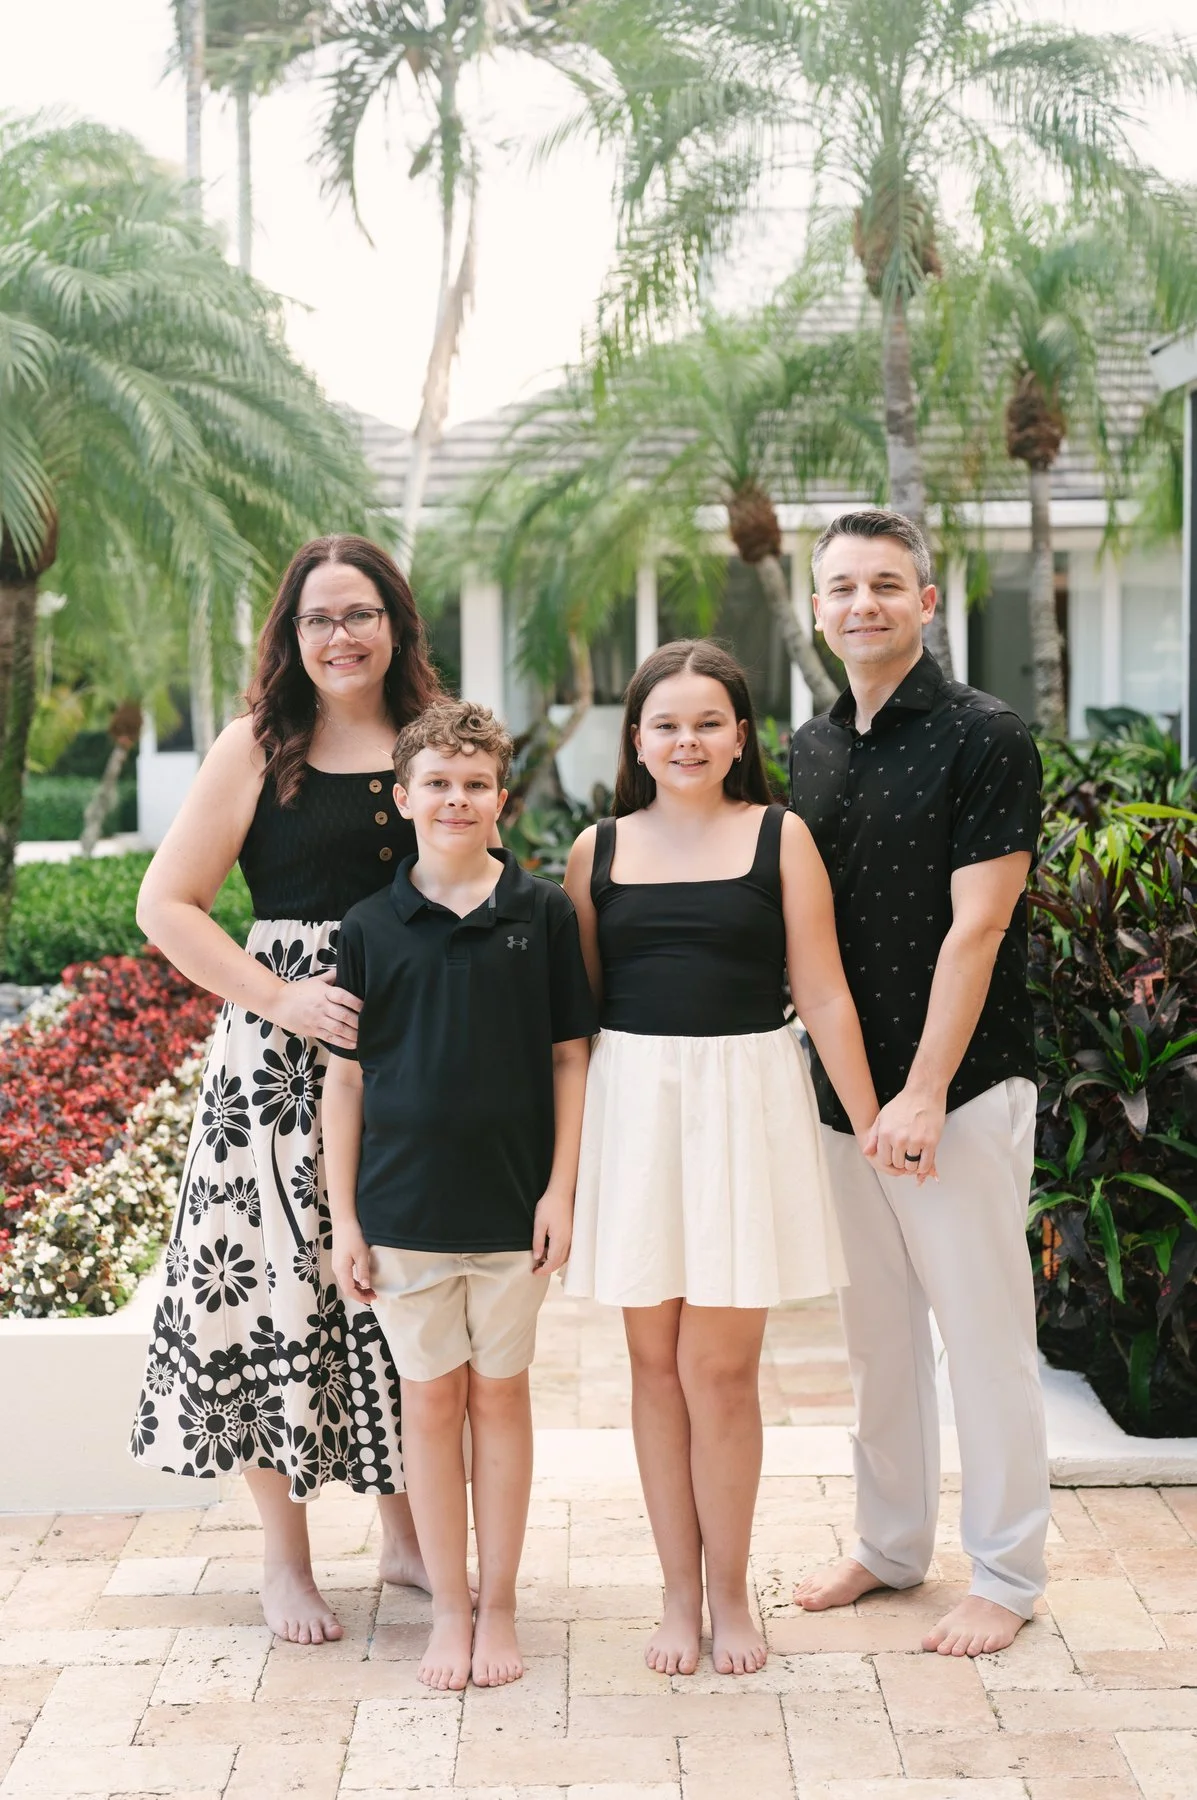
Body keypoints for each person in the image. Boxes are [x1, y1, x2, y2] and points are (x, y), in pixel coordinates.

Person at [131, 534, 443, 1645]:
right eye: (318, 618)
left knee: (395, 1284)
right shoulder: (257, 747)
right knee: (275, 1292)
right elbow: (167, 906)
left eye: (360, 613)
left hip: (413, 1049)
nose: (340, 636)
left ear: (396, 623)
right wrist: (284, 998)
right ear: (291, 633)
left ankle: (409, 1533)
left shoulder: (431, 743)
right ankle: (286, 1560)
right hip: (274, 1071)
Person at [563, 640, 886, 1679]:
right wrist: (558, 1175)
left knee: (721, 1369)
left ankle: (733, 1591)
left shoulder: (781, 838)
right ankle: (674, 1594)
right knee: (652, 1369)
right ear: (638, 740)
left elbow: (826, 993)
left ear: (740, 736)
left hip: (746, 1105)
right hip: (635, 1111)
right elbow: (573, 1028)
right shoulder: (594, 850)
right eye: (666, 723)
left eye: (708, 722)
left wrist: (874, 1119)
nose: (687, 740)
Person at [789, 507, 1049, 1658]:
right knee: (876, 1336)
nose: (863, 605)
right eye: (842, 587)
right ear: (816, 609)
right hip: (842, 1095)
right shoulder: (811, 746)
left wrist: (926, 1090)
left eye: (886, 585)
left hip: (963, 1092)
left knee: (983, 1334)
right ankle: (891, 1545)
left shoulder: (988, 738)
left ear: (927, 603)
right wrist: (859, 1095)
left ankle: (1006, 1571)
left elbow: (976, 928)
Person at [324, 700, 595, 1692]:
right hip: (403, 1219)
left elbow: (572, 1059)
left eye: (474, 783)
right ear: (402, 799)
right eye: (435, 783)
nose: (456, 798)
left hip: (512, 1213)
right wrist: (347, 1219)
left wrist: (561, 1191)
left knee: (502, 1399)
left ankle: (503, 1605)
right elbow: (343, 1080)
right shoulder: (368, 928)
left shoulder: (544, 914)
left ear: (500, 798)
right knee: (430, 1409)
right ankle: (448, 1609)